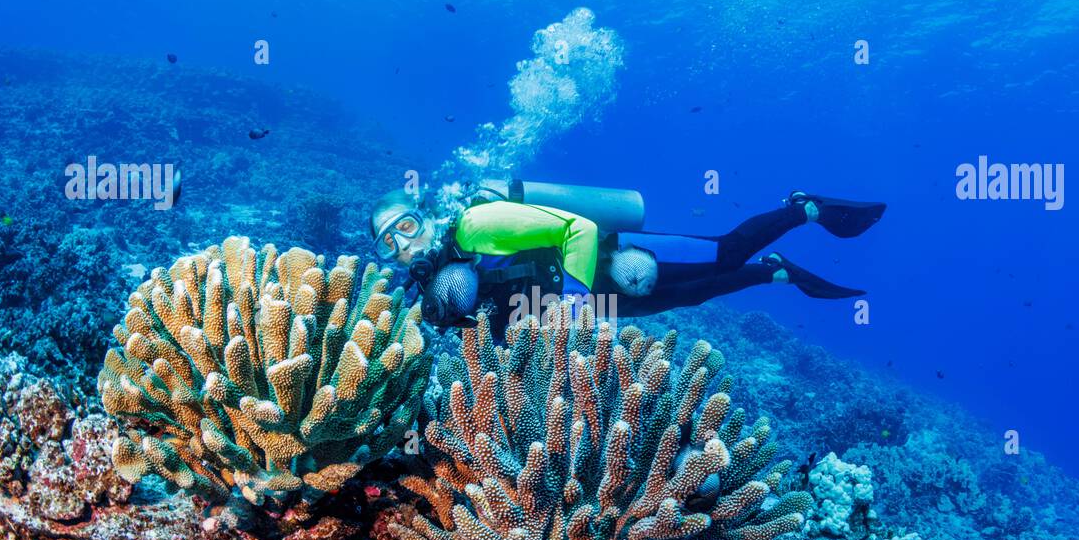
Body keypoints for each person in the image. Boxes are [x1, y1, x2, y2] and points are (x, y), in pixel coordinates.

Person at [368, 182, 885, 333]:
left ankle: (801, 209)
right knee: (696, 295)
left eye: (407, 227)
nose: (405, 245)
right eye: (389, 243)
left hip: (620, 262)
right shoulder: (434, 290)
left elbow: (581, 228)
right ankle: (778, 272)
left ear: (425, 216)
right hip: (601, 305)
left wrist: (572, 304)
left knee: (725, 252)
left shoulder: (479, 225)